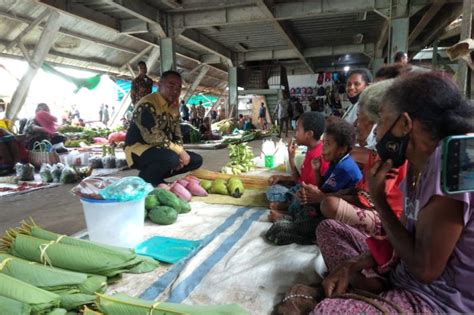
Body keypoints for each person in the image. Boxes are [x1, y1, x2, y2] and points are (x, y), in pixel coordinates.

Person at [309, 72, 474, 314]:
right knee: (328, 229)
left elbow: (426, 270)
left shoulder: (452, 162)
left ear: (405, 124)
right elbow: (401, 240)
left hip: (436, 300)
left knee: (327, 311)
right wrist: (353, 265)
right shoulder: (416, 166)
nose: (377, 133)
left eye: (383, 120)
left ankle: (366, 293)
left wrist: (379, 201)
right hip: (401, 274)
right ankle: (368, 288)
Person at [316, 80, 407, 237]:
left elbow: (370, 201)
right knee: (324, 215)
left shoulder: (392, 157)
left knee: (328, 206)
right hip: (373, 210)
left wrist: (324, 197)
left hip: (387, 219)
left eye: (360, 117)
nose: (356, 124)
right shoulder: (375, 153)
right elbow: (359, 191)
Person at [266, 119, 362, 245]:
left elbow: (330, 197)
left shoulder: (345, 168)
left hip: (338, 214)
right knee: (303, 200)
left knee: (286, 228)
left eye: (328, 144)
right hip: (326, 204)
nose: (324, 147)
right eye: (324, 143)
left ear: (342, 149)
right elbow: (323, 188)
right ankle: (291, 218)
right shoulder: (337, 162)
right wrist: (316, 172)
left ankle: (291, 222)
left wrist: (315, 195)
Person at [124, 70, 203, 186]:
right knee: (171, 158)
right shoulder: (147, 104)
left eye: (179, 87)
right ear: (160, 84)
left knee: (195, 160)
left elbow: (177, 133)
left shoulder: (173, 106)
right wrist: (179, 152)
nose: (175, 90)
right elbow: (153, 136)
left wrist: (180, 151)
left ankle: (157, 176)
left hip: (162, 149)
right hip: (138, 149)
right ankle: (146, 178)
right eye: (171, 85)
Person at [266, 112, 329, 221]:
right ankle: (288, 204)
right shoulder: (312, 148)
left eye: (297, 130)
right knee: (275, 189)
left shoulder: (317, 155)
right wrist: (291, 158)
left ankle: (287, 210)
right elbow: (300, 181)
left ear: (309, 134)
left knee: (273, 192)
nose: (295, 134)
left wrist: (290, 187)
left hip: (310, 198)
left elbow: (304, 187)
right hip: (302, 190)